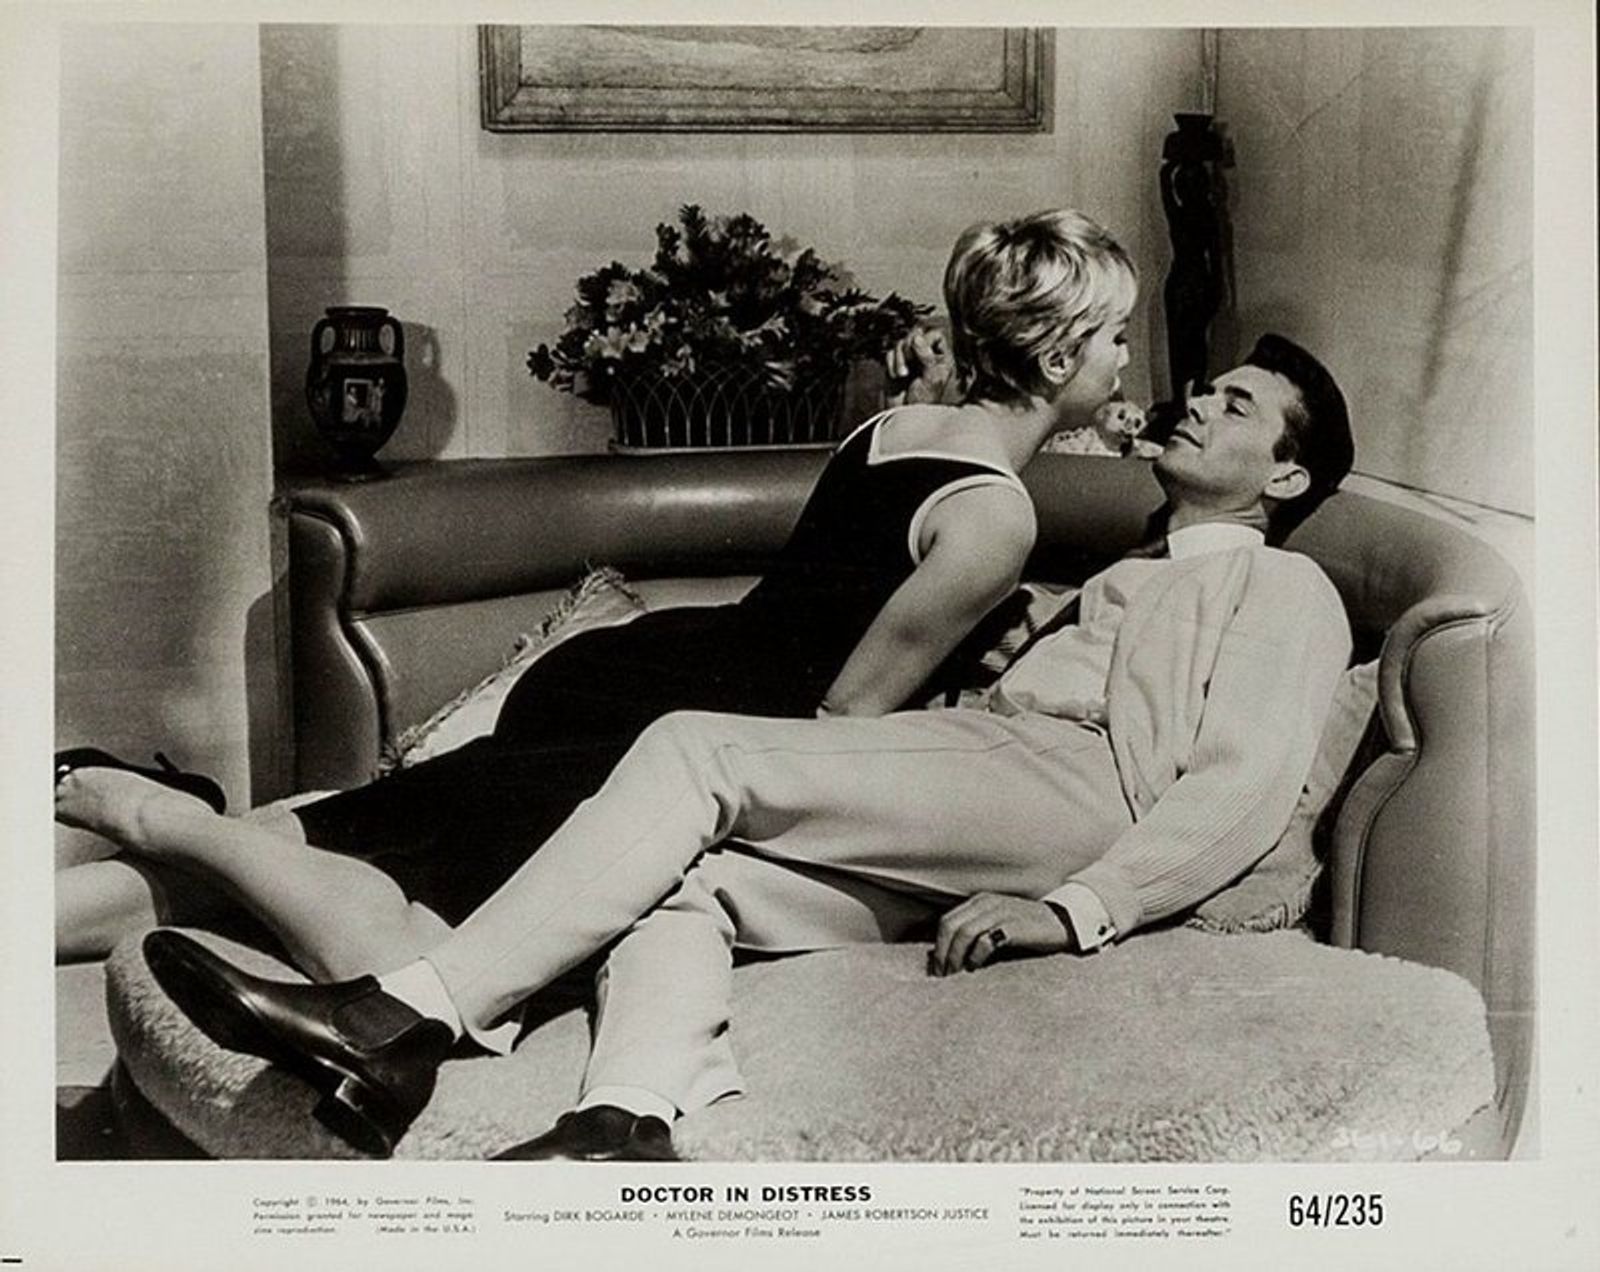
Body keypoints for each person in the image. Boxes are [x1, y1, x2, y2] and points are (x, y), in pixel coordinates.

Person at [140, 332, 1356, 1162]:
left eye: (1237, 406)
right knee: (683, 876)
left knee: (695, 749)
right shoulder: (1127, 573)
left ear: (1287, 473)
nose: (1199, 402)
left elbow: (1244, 782)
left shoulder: (1282, 586)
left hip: (1076, 794)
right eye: (1208, 389)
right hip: (991, 792)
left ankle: (404, 1023)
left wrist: (1078, 909)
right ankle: (624, 1117)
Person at [55, 208, 1139, 974]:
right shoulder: (995, 517)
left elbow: (842, 587)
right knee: (408, 942)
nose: (1126, 362)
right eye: (1116, 338)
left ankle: (86, 882)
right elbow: (848, 719)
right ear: (1056, 362)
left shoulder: (895, 426)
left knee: (356, 828)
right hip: (691, 727)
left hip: (647, 668)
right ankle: (169, 814)